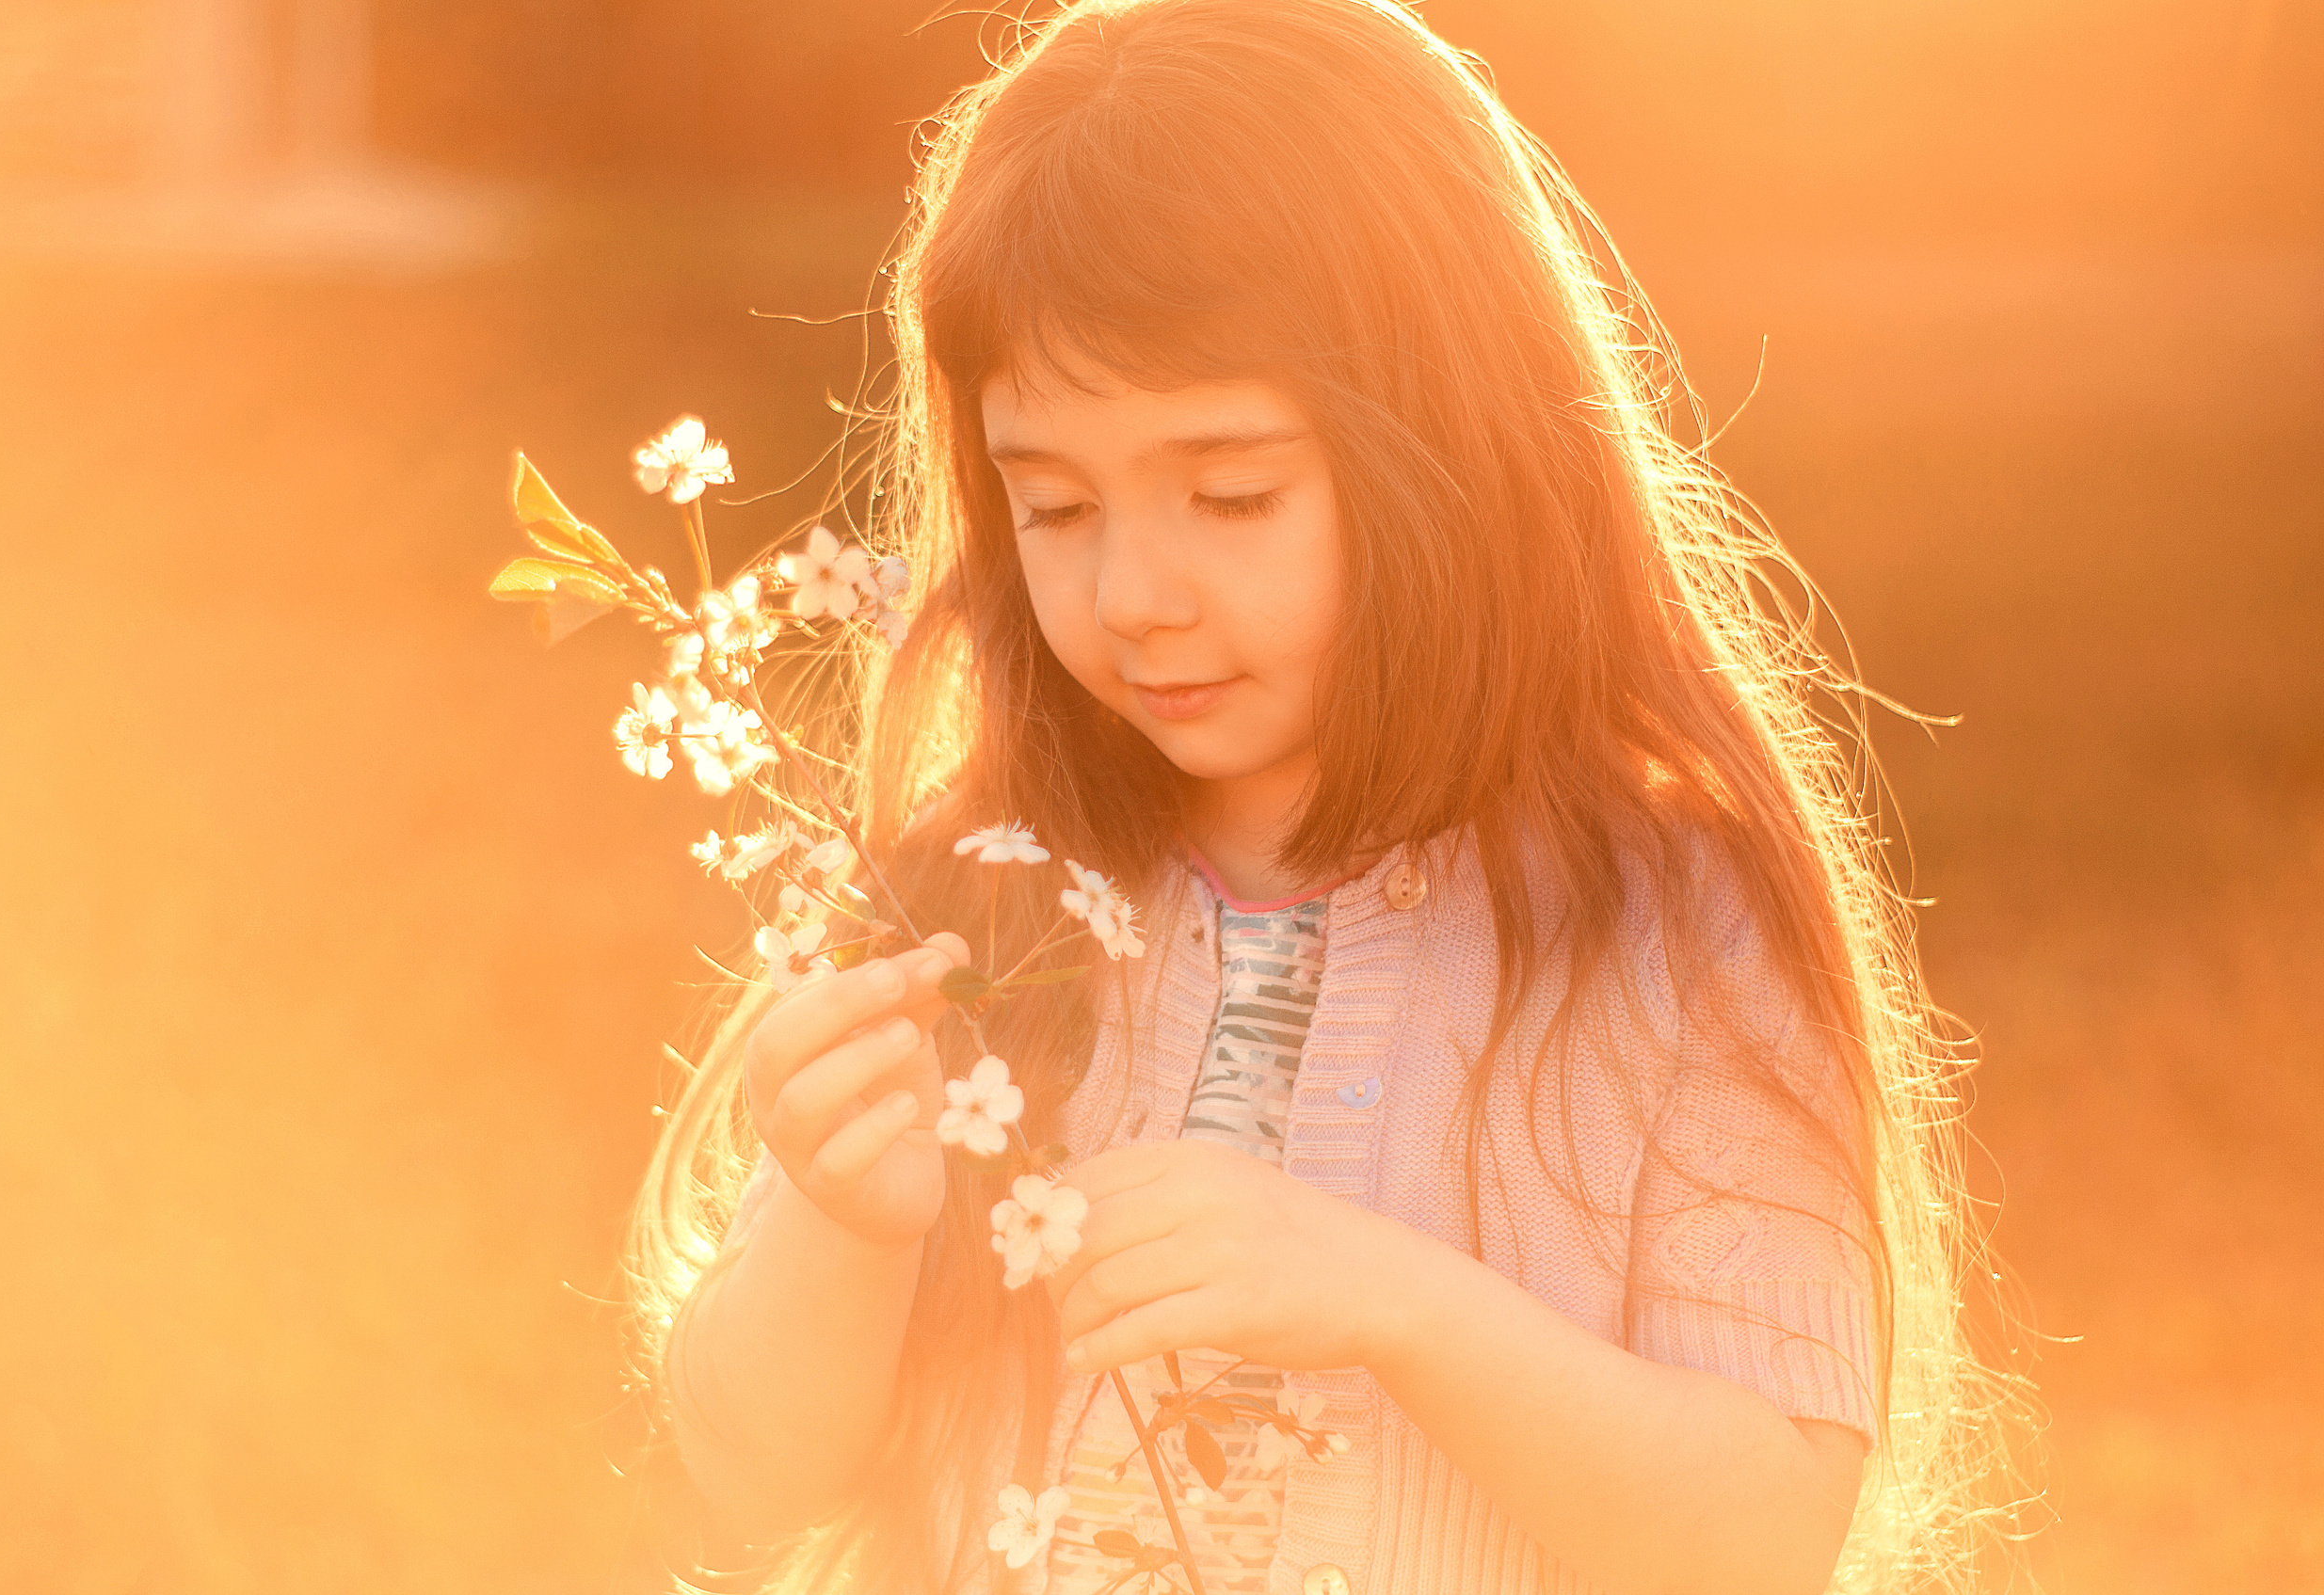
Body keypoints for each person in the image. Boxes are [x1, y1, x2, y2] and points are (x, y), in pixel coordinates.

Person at [630, 3, 2014, 1591]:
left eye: (1231, 493)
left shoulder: (1666, 929)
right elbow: (749, 1471)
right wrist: (846, 1226)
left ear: (1447, 451)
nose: (1136, 589)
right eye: (1056, 503)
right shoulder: (974, 896)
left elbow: (1757, 1538)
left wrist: (1392, 1305)